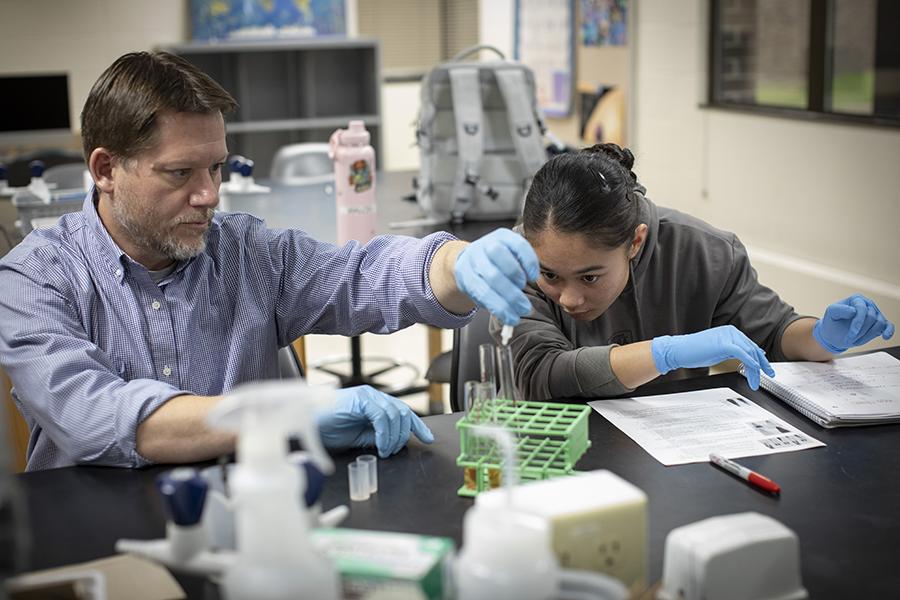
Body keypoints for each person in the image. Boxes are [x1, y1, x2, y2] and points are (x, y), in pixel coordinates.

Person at [0, 51, 536, 471]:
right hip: (96, 542)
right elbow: (92, 415)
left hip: (252, 520)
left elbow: (361, 274)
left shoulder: (246, 253)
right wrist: (279, 416)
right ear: (105, 169)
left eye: (215, 168)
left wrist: (455, 263)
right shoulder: (35, 279)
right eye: (179, 173)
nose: (209, 194)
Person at [492, 143, 894, 401]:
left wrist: (823, 337)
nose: (569, 298)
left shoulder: (705, 251)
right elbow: (542, 375)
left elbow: (773, 335)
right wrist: (665, 353)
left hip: (676, 455)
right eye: (551, 276)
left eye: (590, 277)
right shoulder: (514, 260)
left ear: (635, 242)